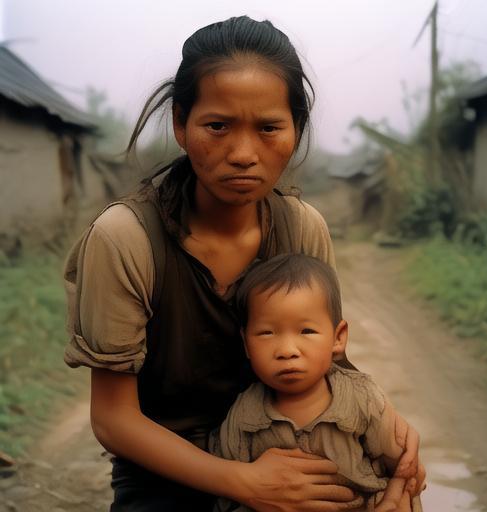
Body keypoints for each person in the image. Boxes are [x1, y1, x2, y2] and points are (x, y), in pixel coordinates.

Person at [63, 15, 422, 511]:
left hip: (298, 455)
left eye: (269, 127)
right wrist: (245, 483)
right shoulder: (125, 239)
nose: (244, 154)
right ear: (181, 126)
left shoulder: (301, 228)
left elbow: (329, 367)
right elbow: (113, 419)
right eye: (217, 126)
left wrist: (398, 452)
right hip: (168, 477)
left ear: (295, 130)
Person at [210, 254, 424, 512]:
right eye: (267, 332)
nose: (287, 350)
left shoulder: (362, 399)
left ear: (338, 338)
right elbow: (228, 496)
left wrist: (391, 500)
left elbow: (405, 468)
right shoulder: (243, 417)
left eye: (306, 331)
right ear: (246, 343)